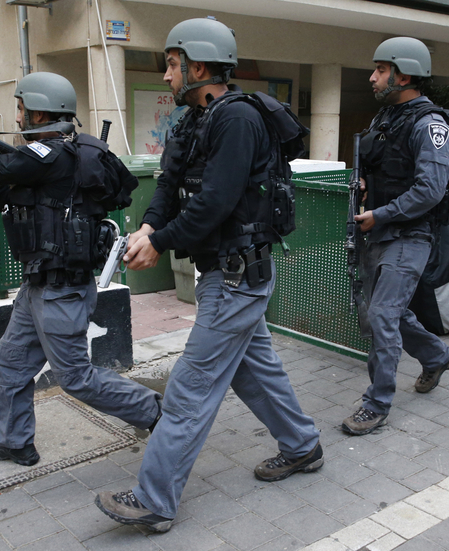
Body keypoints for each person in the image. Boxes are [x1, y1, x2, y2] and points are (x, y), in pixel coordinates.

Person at [94, 17, 322, 533]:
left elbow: (215, 201)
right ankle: (302, 445)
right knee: (254, 370)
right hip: (223, 273)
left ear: (198, 67)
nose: (167, 76)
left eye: (172, 65)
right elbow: (168, 184)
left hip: (237, 275)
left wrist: (160, 242)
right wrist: (148, 226)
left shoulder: (237, 119)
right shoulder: (193, 121)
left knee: (190, 388)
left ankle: (154, 500)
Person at [0, 72, 162, 467]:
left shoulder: (50, 155)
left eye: (21, 108)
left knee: (75, 377)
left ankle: (159, 413)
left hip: (61, 290)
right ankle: (15, 442)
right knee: (11, 363)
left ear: (38, 113)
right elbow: (4, 191)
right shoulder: (49, 157)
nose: (17, 116)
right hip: (39, 286)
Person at [341, 37, 449, 437]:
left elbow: (430, 190)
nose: (372, 77)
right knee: (389, 312)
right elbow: (377, 166)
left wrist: (381, 214)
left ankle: (376, 404)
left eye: (380, 70)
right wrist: (361, 182)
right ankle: (437, 356)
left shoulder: (429, 125)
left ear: (403, 75)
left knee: (382, 315)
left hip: (410, 234)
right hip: (379, 231)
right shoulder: (386, 118)